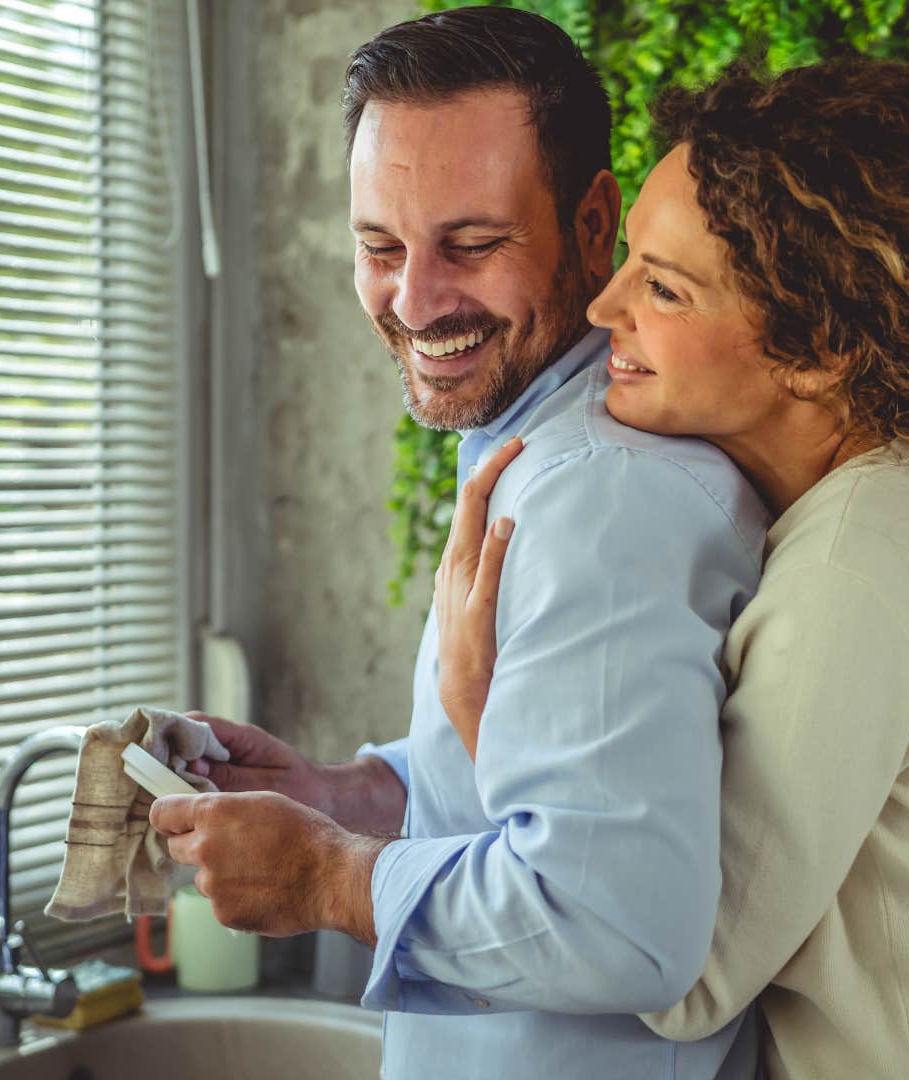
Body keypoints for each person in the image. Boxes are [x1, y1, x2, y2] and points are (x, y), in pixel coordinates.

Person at [431, 60, 909, 1077]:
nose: (605, 309)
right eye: (630, 262)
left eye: (665, 288)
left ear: (815, 351)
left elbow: (680, 974)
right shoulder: (892, 507)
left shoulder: (858, 573)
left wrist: (484, 712)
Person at [146, 8, 769, 1080]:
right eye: (380, 247)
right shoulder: (532, 453)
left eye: (473, 246)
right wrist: (343, 795)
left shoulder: (601, 500)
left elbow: (617, 920)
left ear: (591, 225)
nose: (417, 299)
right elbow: (564, 780)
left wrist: (331, 879)